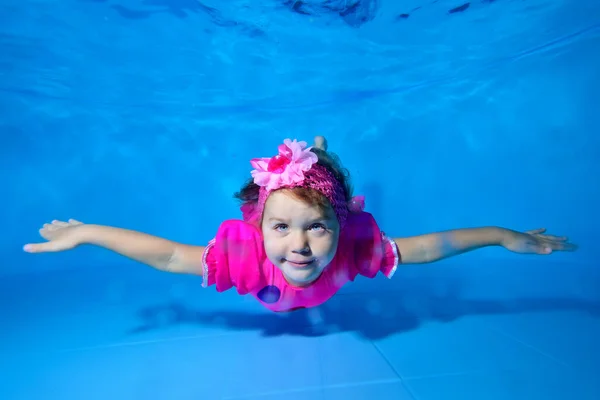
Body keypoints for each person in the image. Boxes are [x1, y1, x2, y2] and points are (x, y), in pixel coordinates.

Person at [23, 136, 577, 312]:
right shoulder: (244, 253)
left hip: (342, 212)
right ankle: (315, 152)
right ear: (259, 229)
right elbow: (169, 255)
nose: (301, 247)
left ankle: (319, 154)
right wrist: (88, 232)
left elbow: (435, 246)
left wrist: (507, 236)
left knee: (323, 178)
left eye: (318, 227)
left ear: (340, 226)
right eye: (282, 228)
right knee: (305, 188)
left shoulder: (357, 243)